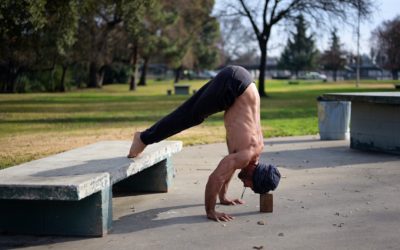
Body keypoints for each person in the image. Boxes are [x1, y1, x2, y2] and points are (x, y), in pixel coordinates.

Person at [128, 65, 281, 222]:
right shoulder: (245, 155)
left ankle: (144, 137)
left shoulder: (253, 150)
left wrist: (223, 197)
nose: (246, 186)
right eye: (250, 185)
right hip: (234, 84)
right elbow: (215, 178)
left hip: (241, 81)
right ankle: (143, 138)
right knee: (189, 115)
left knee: (193, 112)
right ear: (253, 174)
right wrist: (211, 210)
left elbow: (229, 169)